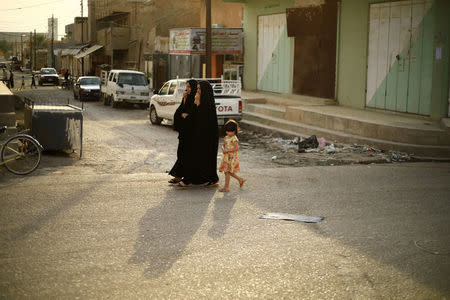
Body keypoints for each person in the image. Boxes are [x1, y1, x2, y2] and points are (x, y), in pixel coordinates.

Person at [178, 81, 219, 187]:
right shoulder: (198, 100)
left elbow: (203, 121)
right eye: (197, 88)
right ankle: (192, 179)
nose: (198, 91)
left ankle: (209, 179)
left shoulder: (207, 104)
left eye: (200, 89)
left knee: (204, 159)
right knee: (195, 158)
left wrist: (188, 116)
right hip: (198, 136)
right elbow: (194, 117)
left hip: (206, 138)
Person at [168, 79, 197, 184]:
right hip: (184, 133)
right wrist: (184, 99)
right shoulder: (187, 97)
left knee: (186, 155)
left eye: (189, 87)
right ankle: (178, 175)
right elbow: (180, 112)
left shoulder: (196, 98)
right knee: (180, 153)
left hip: (191, 133)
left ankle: (184, 177)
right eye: (187, 87)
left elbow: (191, 114)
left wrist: (186, 115)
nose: (187, 89)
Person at [218, 120, 246, 192]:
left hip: (232, 157)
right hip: (226, 157)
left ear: (234, 131)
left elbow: (237, 148)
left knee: (228, 171)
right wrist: (223, 149)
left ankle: (226, 187)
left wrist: (227, 151)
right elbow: (223, 145)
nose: (228, 133)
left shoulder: (234, 138)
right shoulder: (226, 137)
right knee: (227, 172)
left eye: (230, 131)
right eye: (227, 131)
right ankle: (240, 179)